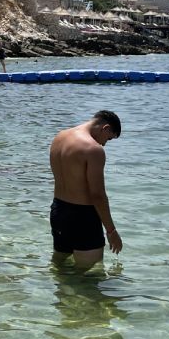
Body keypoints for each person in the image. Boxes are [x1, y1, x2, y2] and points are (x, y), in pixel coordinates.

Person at [49, 110, 123, 268]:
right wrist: (111, 231)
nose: (104, 144)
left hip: (58, 211)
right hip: (82, 218)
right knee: (90, 277)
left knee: (60, 270)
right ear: (105, 128)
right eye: (108, 138)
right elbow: (97, 195)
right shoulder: (93, 149)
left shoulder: (60, 137)